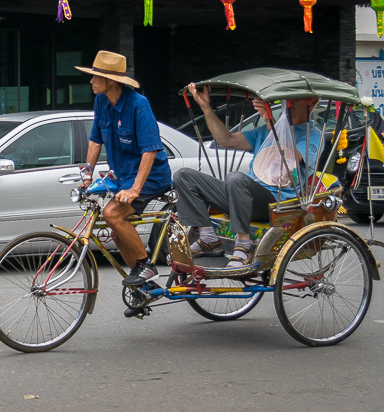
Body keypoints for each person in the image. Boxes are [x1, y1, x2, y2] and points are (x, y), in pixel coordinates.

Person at [176, 85, 320, 267]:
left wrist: (270, 124)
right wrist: (206, 107)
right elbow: (226, 140)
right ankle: (208, 238)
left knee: (235, 178)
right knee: (183, 176)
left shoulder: (312, 135)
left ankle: (244, 246)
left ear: (312, 102)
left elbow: (289, 157)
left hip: (273, 201)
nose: (288, 104)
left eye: (294, 99)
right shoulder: (262, 132)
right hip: (241, 196)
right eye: (286, 99)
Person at [75, 51, 173, 288]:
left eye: (95, 77)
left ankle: (146, 266)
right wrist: (87, 176)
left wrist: (135, 189)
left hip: (150, 176)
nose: (91, 81)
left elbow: (150, 150)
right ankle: (143, 288)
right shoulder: (101, 101)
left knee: (112, 214)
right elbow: (95, 140)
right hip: (122, 175)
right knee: (117, 232)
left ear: (111, 81)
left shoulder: (139, 105)